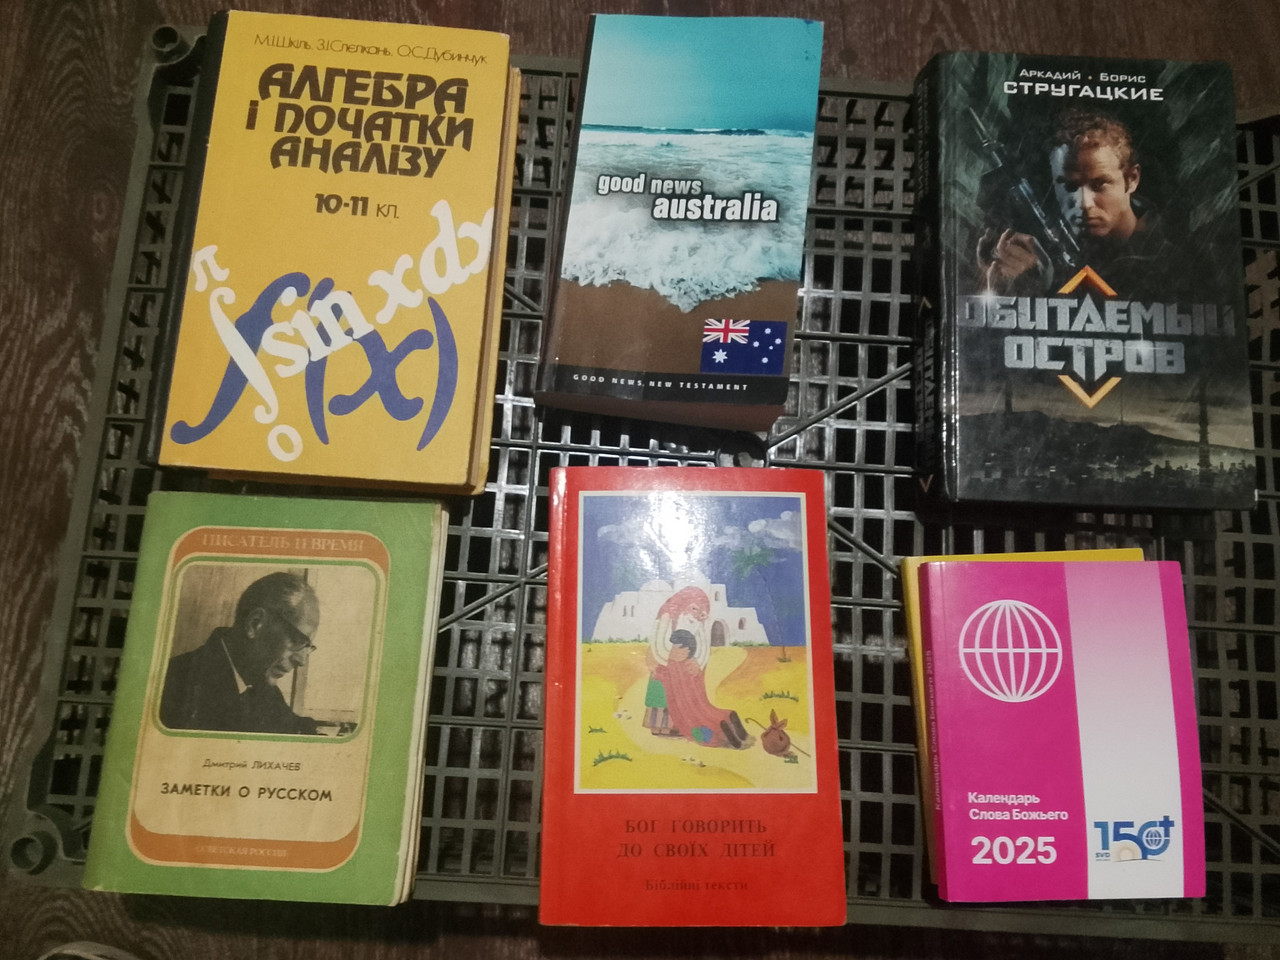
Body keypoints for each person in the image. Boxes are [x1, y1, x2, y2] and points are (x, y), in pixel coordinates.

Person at [979, 108, 1170, 297]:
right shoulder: (1074, 244)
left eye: (1099, 184)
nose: (1084, 203)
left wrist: (1044, 291)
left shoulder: (1167, 262)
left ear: (1132, 179)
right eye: (1070, 186)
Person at [159, 571, 322, 735]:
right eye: (297, 641)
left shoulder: (264, 688)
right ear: (255, 623)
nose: (301, 661)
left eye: (307, 647)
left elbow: (295, 728)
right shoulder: (173, 684)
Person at [648, 628, 750, 749]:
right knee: (712, 713)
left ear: (684, 648)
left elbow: (667, 676)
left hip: (685, 705)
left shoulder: (674, 663)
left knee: (700, 722)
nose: (673, 650)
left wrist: (658, 672)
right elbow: (696, 681)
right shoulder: (692, 663)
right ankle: (737, 729)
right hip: (699, 702)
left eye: (676, 647)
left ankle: (722, 729)